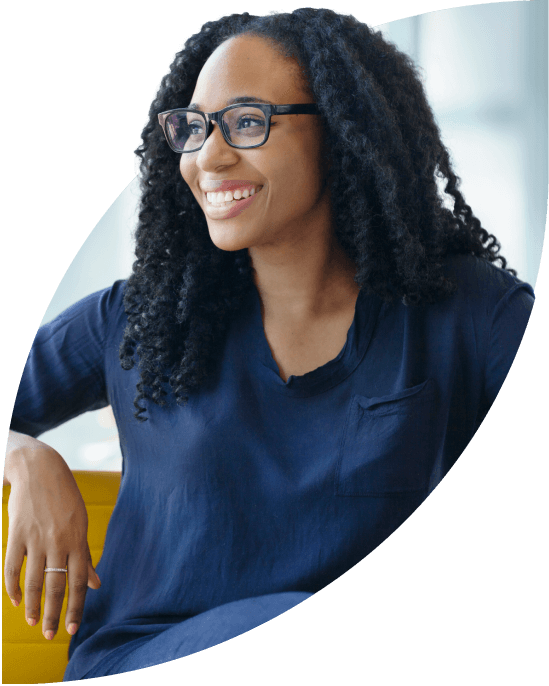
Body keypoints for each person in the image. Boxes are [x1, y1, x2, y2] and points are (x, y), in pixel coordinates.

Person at [4, 8, 535, 681]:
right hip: (145, 650)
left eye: (247, 122)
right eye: (193, 128)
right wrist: (25, 456)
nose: (209, 156)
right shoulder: (139, 317)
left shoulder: (467, 310)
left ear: (344, 135)